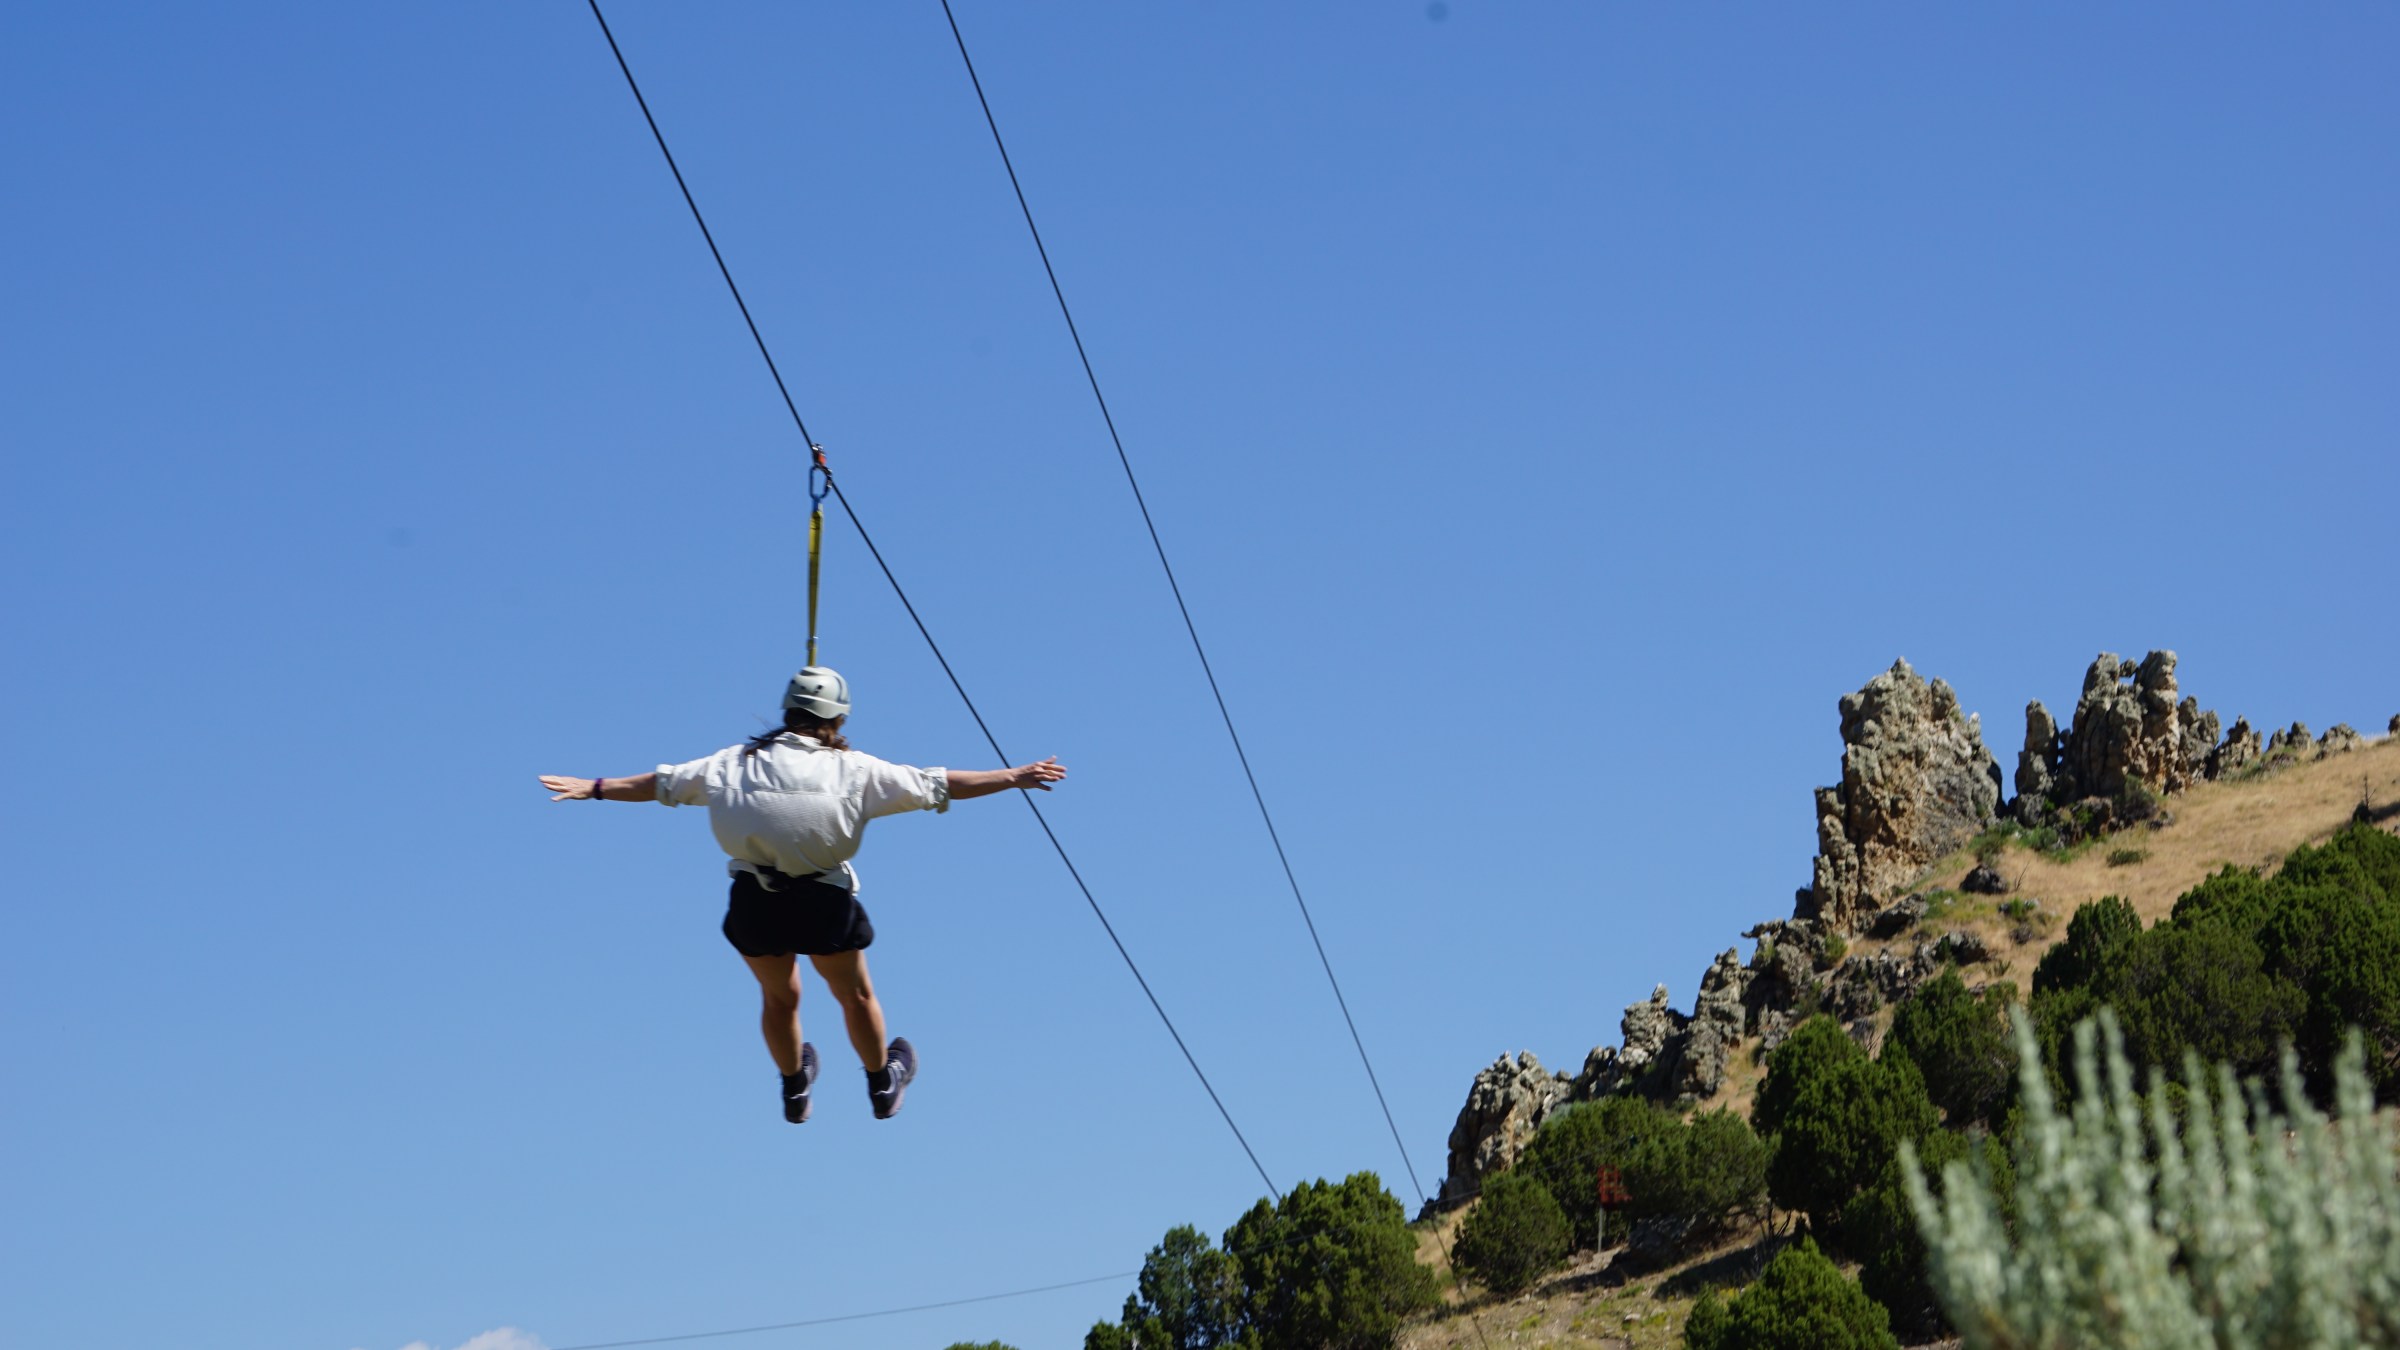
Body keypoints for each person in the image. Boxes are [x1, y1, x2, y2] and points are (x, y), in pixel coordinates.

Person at [537, 666, 1066, 1124]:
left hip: (755, 902)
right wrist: (1014, 776)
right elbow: (941, 784)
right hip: (821, 903)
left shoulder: (730, 763)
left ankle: (794, 1086)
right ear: (839, 719)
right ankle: (882, 1082)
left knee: (779, 997)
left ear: (788, 711)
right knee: (854, 995)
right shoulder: (854, 770)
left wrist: (596, 786)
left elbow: (661, 783)